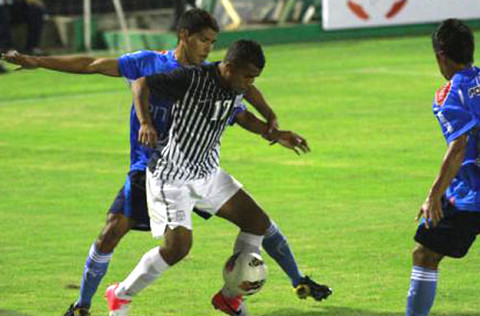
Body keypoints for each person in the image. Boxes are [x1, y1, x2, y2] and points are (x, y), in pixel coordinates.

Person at [3, 9, 331, 316]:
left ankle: (278, 283)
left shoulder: (221, 75)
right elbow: (93, 64)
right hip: (155, 169)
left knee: (259, 222)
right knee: (122, 236)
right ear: (184, 35)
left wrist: (272, 123)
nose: (208, 48)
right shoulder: (158, 67)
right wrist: (38, 60)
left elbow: (243, 97)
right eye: (203, 40)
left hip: (202, 169)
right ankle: (88, 302)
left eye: (213, 43)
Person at [105, 39, 310, 316]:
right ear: (229, 67)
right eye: (247, 76)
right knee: (178, 247)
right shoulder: (191, 78)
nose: (250, 83)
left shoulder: (237, 86)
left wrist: (274, 130)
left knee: (257, 222)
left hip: (207, 173)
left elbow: (244, 116)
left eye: (255, 78)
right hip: (172, 175)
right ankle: (121, 294)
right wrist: (145, 122)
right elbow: (141, 84)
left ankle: (230, 298)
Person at [405, 18, 480, 316]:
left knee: (424, 255)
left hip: (470, 198)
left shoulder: (448, 96)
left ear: (441, 56)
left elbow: (459, 146)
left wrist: (433, 194)